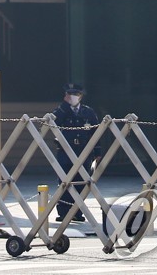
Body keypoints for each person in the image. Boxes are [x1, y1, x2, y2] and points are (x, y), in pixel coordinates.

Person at [52, 82, 101, 223]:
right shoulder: (61, 110)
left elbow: (95, 132)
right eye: (70, 94)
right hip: (65, 152)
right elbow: (55, 121)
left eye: (76, 94)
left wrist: (97, 152)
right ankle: (63, 213)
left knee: (81, 183)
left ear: (81, 96)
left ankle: (77, 212)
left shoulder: (88, 112)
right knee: (65, 182)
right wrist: (65, 105)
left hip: (83, 152)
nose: (73, 97)